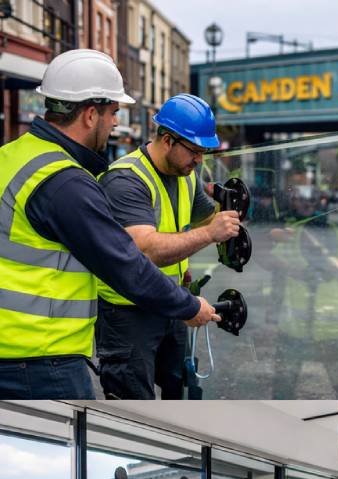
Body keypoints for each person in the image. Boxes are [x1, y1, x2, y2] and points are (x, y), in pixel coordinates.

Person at [0, 49, 219, 400]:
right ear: (91, 114)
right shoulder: (64, 180)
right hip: (29, 355)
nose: (116, 123)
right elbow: (125, 263)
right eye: (114, 112)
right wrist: (190, 306)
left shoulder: (7, 155)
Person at [96, 93, 240, 400]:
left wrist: (239, 210)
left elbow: (208, 215)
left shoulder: (185, 175)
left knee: (179, 389)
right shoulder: (125, 180)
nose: (200, 159)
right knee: (133, 401)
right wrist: (212, 234)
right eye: (195, 151)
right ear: (168, 140)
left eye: (204, 151)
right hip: (128, 313)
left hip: (170, 302)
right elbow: (144, 252)